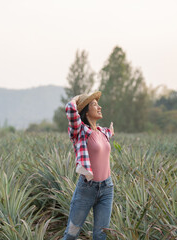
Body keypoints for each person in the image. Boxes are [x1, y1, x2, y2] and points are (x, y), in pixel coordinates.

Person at [63, 91, 114, 240]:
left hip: (107, 188)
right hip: (87, 189)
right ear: (85, 112)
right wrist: (77, 99)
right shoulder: (80, 131)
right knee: (71, 235)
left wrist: (111, 131)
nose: (99, 107)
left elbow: (109, 133)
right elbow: (71, 110)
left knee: (101, 236)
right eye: (94, 104)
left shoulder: (102, 132)